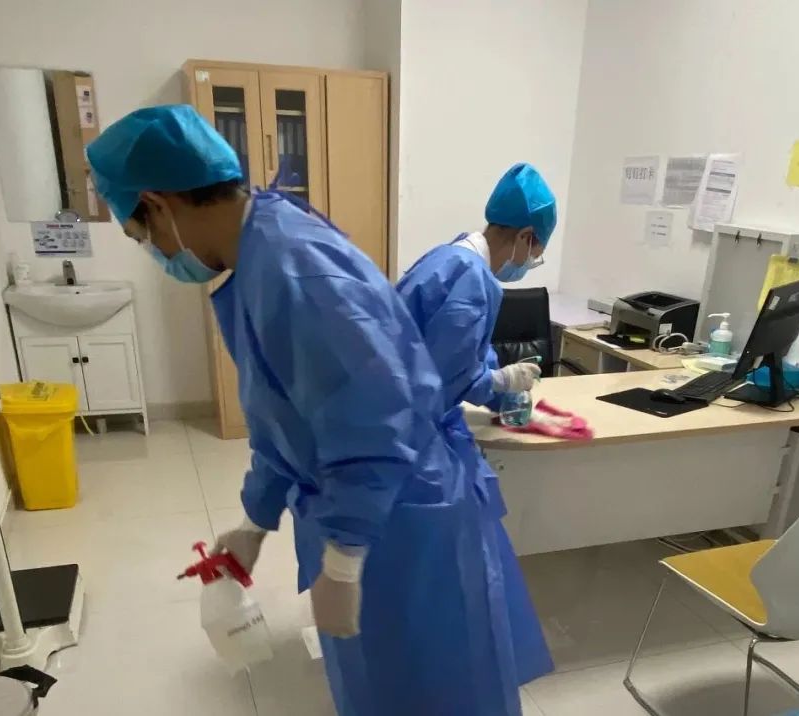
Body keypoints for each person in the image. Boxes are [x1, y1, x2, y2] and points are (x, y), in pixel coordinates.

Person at [87, 105, 526, 715]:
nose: (155, 252)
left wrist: (344, 556)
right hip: (366, 511)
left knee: (431, 692)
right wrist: (255, 519)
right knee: (380, 687)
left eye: (142, 236)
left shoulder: (293, 267)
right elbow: (287, 413)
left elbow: (374, 416)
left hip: (401, 517)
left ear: (158, 205)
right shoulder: (259, 250)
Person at [396, 163, 558, 685]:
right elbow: (447, 377)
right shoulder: (472, 280)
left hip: (397, 423)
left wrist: (494, 376)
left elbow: (458, 348)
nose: (533, 260)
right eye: (538, 249)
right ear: (526, 236)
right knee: (453, 553)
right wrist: (500, 381)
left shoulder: (448, 257)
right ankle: (447, 665)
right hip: (413, 438)